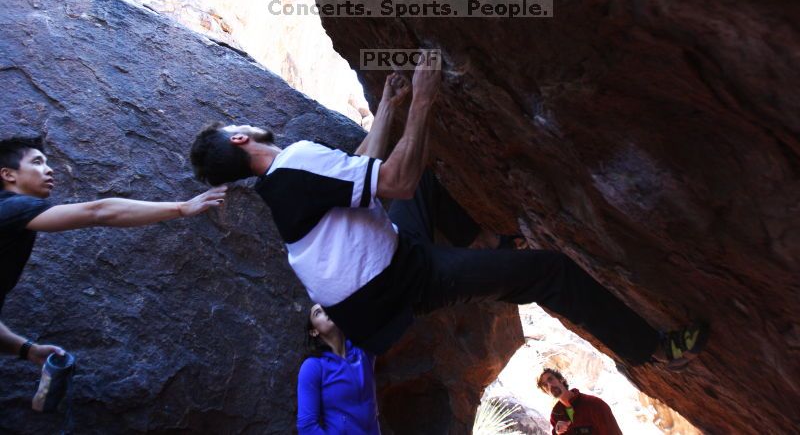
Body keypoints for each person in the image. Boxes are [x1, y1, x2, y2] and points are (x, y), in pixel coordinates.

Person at [189, 51, 708, 369]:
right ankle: (655, 349)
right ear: (240, 138)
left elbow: (360, 173)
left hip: (376, 295)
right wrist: (421, 103)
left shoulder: (284, 182)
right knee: (552, 271)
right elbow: (395, 177)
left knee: (423, 187)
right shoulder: (293, 164)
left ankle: (484, 246)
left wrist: (390, 107)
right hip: (403, 281)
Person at [0, 136, 226, 366]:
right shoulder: (12, 207)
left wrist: (27, 350)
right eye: (37, 162)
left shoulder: (12, 214)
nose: (49, 170)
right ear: (8, 174)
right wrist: (182, 208)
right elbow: (100, 212)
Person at [297, 303, 380, 434]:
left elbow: (378, 318)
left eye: (327, 308)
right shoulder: (313, 367)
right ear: (314, 331)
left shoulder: (363, 351)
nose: (325, 312)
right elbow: (307, 426)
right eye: (318, 313)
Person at [537, 368, 622, 435]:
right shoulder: (555, 416)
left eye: (550, 379)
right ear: (546, 392)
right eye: (545, 385)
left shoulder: (594, 404)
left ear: (561, 379)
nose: (549, 385)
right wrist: (557, 432)